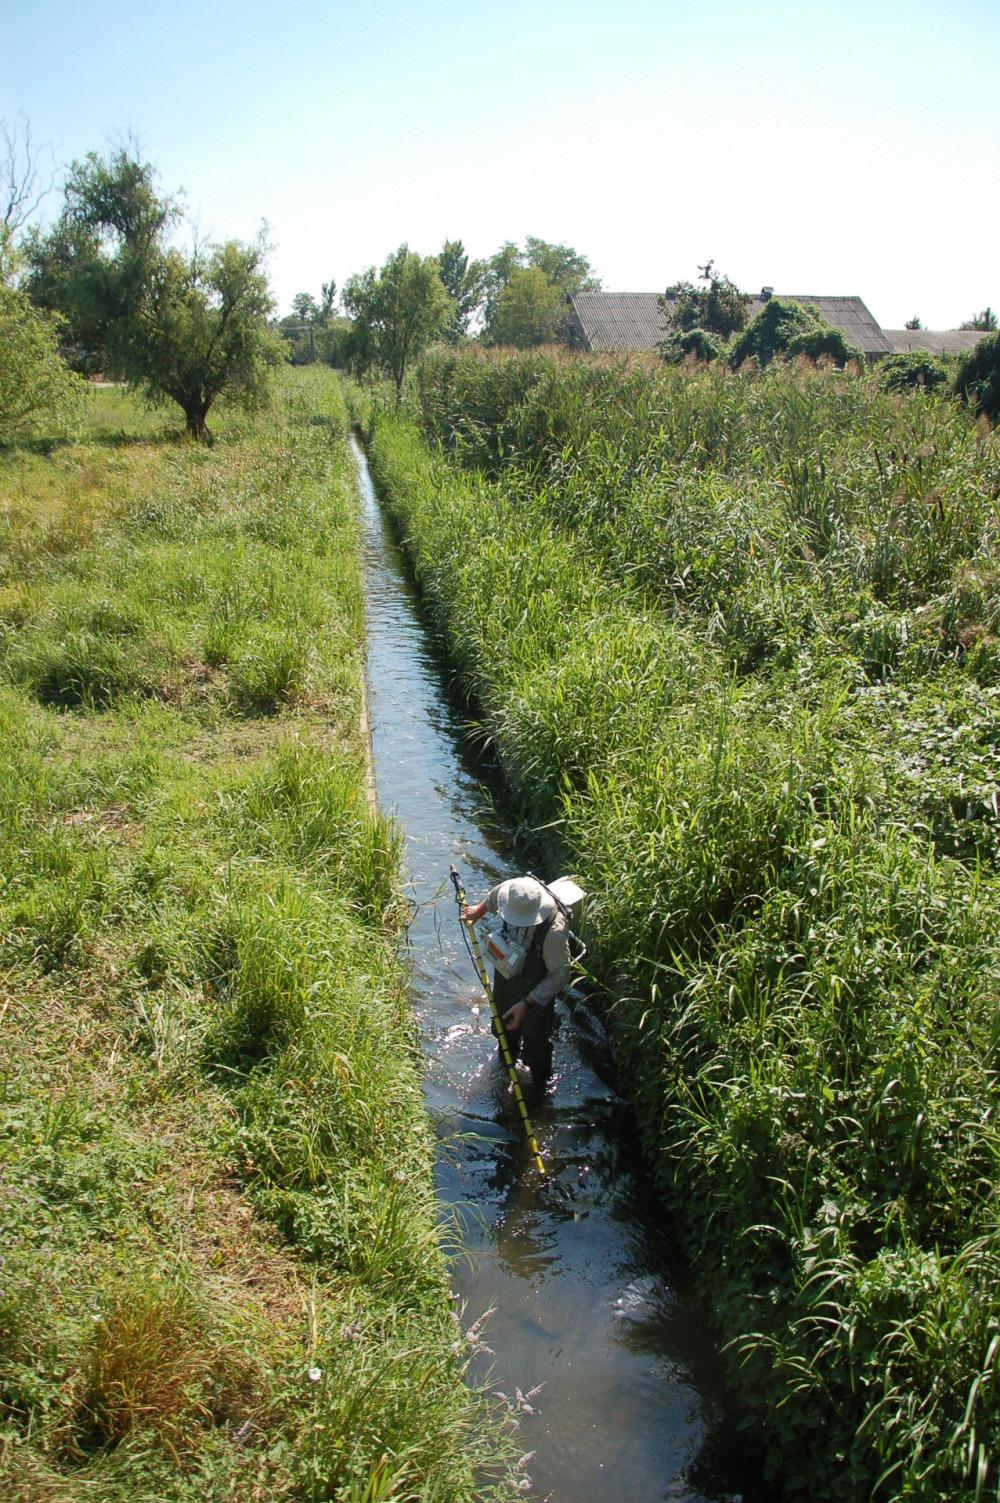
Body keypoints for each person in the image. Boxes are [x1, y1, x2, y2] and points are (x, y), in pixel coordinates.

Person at [461, 876, 571, 1086]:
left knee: (536, 1046)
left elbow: (561, 975)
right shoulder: (509, 892)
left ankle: (539, 1091)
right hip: (506, 975)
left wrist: (527, 1003)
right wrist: (480, 910)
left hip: (537, 989)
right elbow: (493, 898)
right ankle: (505, 1066)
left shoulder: (554, 931)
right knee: (504, 1030)